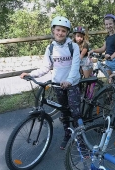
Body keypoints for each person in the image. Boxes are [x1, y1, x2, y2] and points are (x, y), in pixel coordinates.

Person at [20, 16, 81, 150]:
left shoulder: (73, 46)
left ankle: (81, 140)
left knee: (75, 113)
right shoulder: (50, 48)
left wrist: (69, 81)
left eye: (63, 31)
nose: (60, 33)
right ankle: (67, 135)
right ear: (53, 31)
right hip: (57, 85)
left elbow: (75, 66)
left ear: (67, 33)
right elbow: (45, 67)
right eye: (58, 30)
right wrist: (31, 74)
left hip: (72, 84)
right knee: (64, 113)